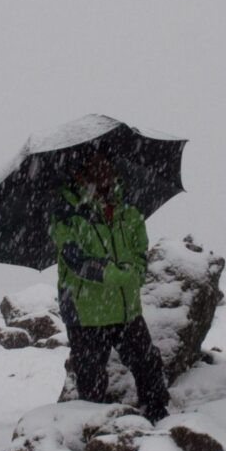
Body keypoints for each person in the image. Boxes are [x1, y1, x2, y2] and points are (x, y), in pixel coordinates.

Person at [48, 144, 170, 423]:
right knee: (91, 381)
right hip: (85, 311)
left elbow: (140, 246)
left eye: (107, 164)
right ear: (81, 173)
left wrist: (137, 271)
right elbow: (74, 259)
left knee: (148, 364)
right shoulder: (66, 212)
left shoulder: (128, 208)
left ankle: (158, 419)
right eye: (95, 165)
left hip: (125, 307)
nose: (104, 171)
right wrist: (117, 275)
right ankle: (95, 437)